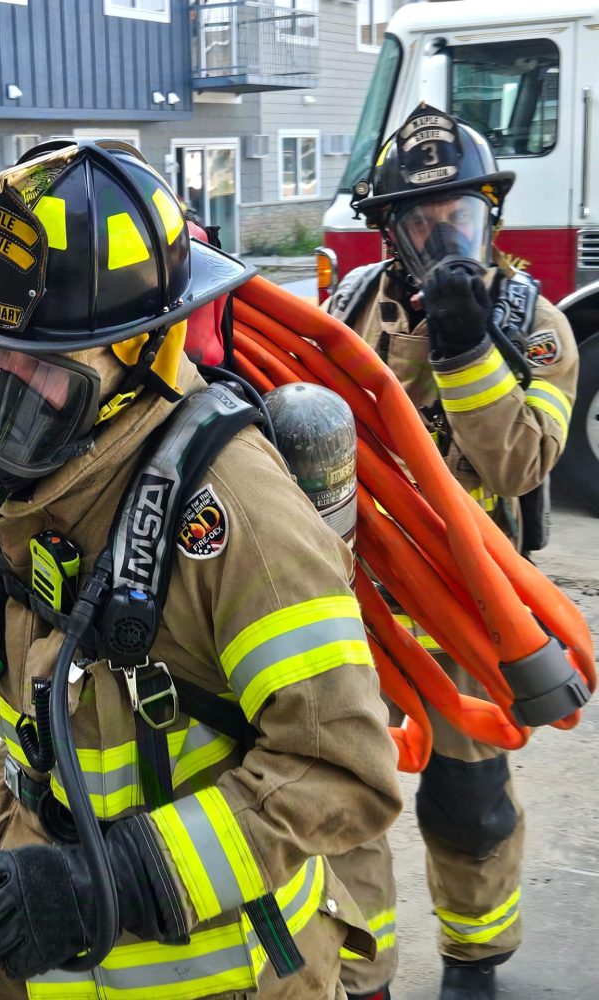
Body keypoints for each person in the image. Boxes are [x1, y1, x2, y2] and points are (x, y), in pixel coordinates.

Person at [0, 138, 403, 999]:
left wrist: (113, 883)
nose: (7, 388)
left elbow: (342, 771)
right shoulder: (37, 480)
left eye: (44, 367)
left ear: (143, 352)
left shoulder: (235, 512)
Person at [325, 104, 580, 1000]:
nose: (442, 237)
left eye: (460, 215)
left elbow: (520, 462)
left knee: (467, 809)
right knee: (344, 801)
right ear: (388, 229)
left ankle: (475, 963)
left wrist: (469, 347)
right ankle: (363, 976)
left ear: (491, 213)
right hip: (354, 605)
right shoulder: (348, 307)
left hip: (465, 608)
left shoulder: (536, 325)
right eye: (419, 221)